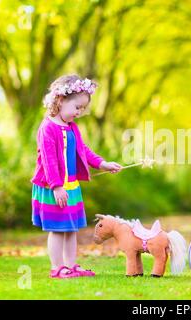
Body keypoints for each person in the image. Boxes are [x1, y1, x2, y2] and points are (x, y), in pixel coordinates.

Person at [31, 74, 122, 278]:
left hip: (70, 186)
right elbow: (49, 160)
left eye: (82, 109)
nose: (79, 113)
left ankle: (71, 266)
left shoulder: (72, 127)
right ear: (61, 100)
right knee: (57, 229)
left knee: (71, 228)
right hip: (53, 187)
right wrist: (56, 186)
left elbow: (83, 150)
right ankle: (57, 268)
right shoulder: (48, 128)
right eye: (77, 107)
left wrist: (102, 163)